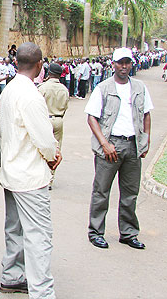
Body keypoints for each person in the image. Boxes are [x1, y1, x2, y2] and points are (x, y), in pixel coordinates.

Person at [0, 42, 61, 298]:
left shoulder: (8, 91)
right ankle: (42, 291)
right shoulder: (31, 95)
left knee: (15, 229)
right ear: (39, 65)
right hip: (30, 176)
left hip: (11, 171)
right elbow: (44, 139)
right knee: (39, 235)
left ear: (16, 63)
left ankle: (13, 276)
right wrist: (53, 156)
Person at [84, 47, 153, 250]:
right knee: (101, 191)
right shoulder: (103, 88)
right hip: (110, 146)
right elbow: (92, 117)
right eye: (120, 63)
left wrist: (146, 140)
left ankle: (128, 233)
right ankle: (96, 232)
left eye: (127, 63)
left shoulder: (140, 87)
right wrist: (104, 144)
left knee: (130, 192)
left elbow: (147, 114)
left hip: (132, 145)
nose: (124, 67)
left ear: (131, 64)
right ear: (113, 64)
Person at [38, 63, 69, 189]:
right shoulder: (64, 89)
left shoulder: (43, 88)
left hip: (46, 119)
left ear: (48, 73)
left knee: (43, 147)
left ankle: (43, 177)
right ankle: (51, 178)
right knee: (56, 149)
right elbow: (66, 106)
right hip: (58, 119)